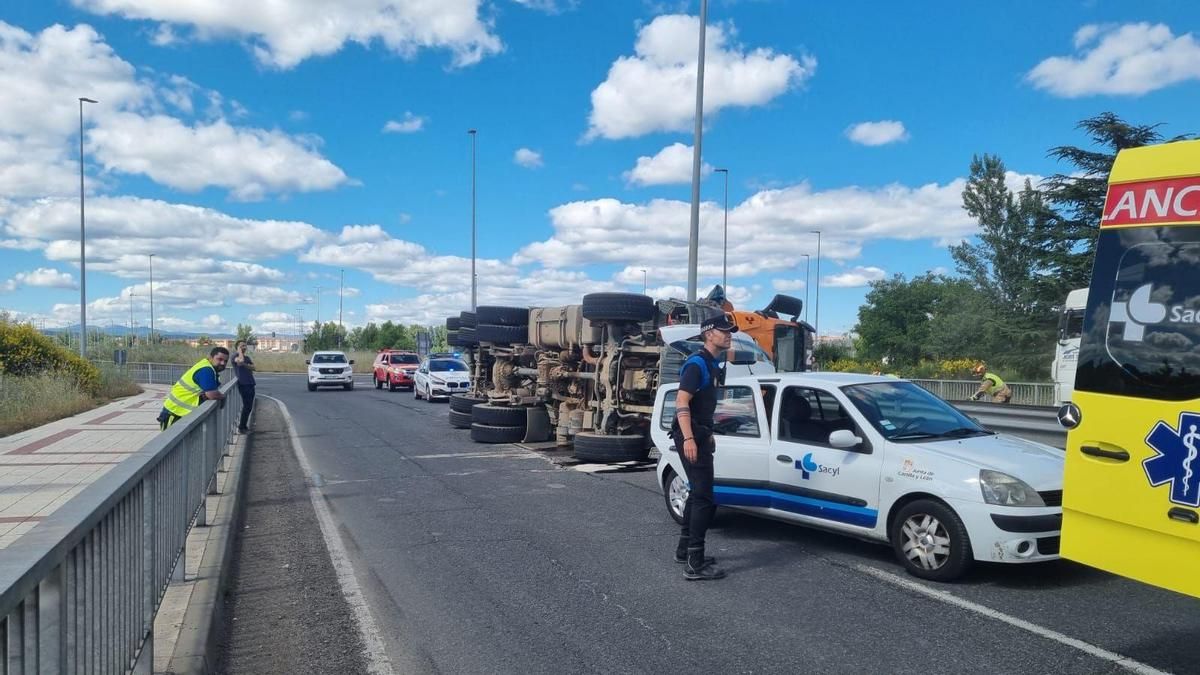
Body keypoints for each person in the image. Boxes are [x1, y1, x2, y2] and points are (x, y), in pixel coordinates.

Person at [671, 314, 737, 581]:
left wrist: (706, 433)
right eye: (724, 331)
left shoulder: (711, 363)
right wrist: (689, 438)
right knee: (704, 498)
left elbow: (703, 406)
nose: (729, 334)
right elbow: (681, 402)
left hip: (699, 434)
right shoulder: (697, 364)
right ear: (709, 334)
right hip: (689, 436)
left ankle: (684, 550)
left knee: (699, 494)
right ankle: (694, 563)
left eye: (730, 331)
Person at [157, 347, 228, 430]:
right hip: (174, 413)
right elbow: (211, 394)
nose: (223, 363)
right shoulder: (206, 370)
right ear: (211, 358)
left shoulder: (206, 366)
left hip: (180, 413)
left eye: (225, 361)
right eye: (219, 359)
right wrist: (223, 397)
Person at [232, 340, 256, 433]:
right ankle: (242, 427)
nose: (244, 347)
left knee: (249, 406)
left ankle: (243, 426)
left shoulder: (247, 358)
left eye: (245, 346)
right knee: (247, 406)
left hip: (250, 383)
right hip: (243, 384)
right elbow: (240, 361)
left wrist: (245, 364)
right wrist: (239, 352)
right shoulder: (234, 356)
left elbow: (254, 367)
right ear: (237, 347)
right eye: (242, 346)